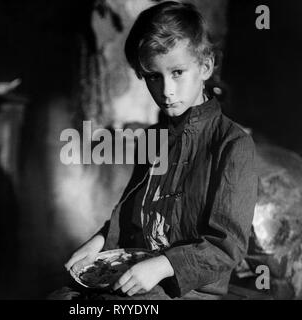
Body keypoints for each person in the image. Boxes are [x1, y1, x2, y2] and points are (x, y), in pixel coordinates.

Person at [63, 1, 257, 300]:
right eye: (154, 76)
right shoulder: (152, 138)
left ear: (205, 66)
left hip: (193, 289)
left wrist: (163, 265)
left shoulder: (231, 144)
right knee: (61, 298)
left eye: (178, 72)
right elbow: (131, 214)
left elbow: (226, 245)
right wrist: (98, 243)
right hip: (139, 276)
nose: (166, 90)